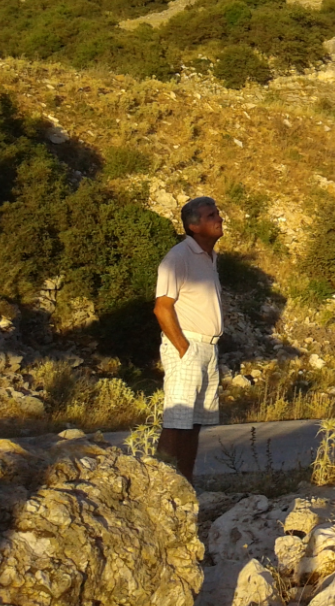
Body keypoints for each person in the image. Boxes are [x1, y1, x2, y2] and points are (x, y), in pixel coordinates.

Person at [154, 196, 224, 481]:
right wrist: (183, 348)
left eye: (217, 213)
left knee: (194, 424)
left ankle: (184, 485)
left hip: (209, 348)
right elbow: (162, 306)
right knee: (176, 423)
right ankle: (159, 487)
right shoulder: (178, 257)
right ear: (194, 226)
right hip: (188, 345)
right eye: (210, 216)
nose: (218, 218)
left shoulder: (210, 258)